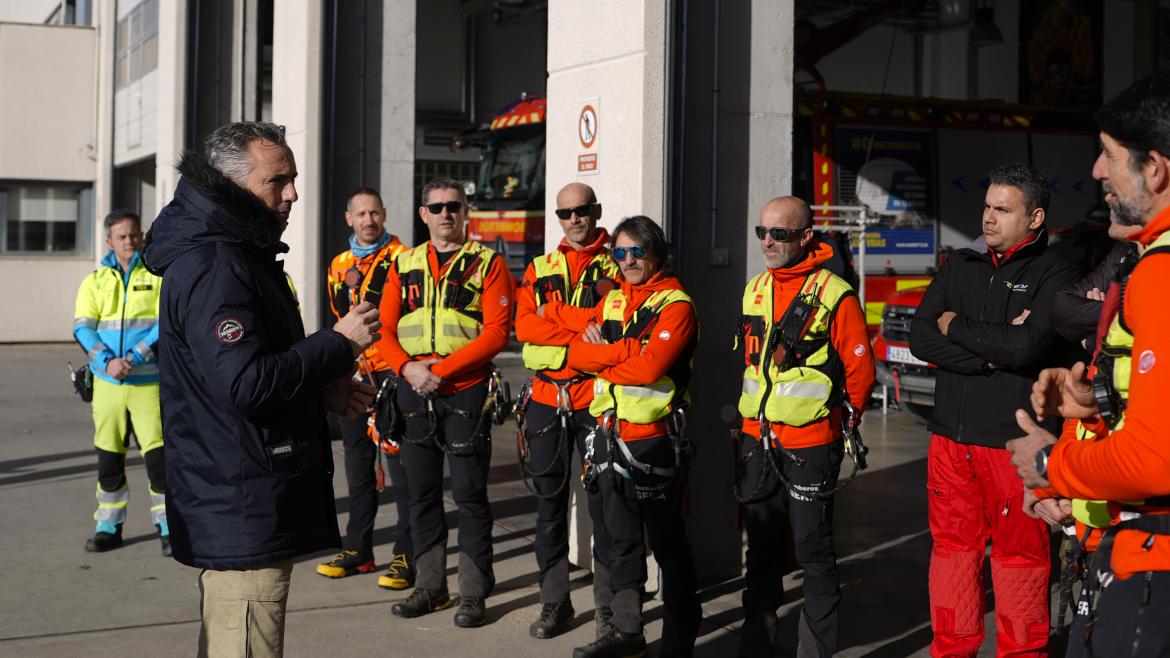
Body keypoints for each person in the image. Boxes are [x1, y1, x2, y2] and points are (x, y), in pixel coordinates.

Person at [143, 121, 380, 658]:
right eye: (277, 181)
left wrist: (319, 394)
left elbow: (234, 378)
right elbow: (245, 385)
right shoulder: (217, 263)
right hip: (241, 508)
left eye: (293, 179)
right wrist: (338, 343)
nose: (292, 193)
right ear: (232, 184)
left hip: (240, 499)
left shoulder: (233, 252)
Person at [1008, 71, 1170, 657]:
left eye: (1109, 155)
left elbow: (1155, 462)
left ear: (1156, 168)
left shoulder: (1161, 273)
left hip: (1153, 567)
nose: (1098, 171)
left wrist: (1048, 462)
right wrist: (1099, 400)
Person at [908, 163, 1080, 657]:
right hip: (949, 441)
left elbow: (1025, 349)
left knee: (1020, 560)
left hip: (1014, 447)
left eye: (1003, 210)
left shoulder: (1056, 274)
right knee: (952, 555)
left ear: (1034, 218)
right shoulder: (961, 263)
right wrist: (990, 354)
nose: (988, 217)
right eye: (987, 206)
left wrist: (954, 325)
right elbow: (921, 337)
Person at [538, 215, 702, 658]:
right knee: (619, 540)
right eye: (620, 252)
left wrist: (607, 355)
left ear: (657, 254)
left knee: (667, 544)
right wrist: (627, 350)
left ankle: (681, 640)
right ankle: (627, 636)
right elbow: (577, 355)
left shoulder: (676, 305)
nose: (628, 260)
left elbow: (650, 369)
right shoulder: (613, 301)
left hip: (655, 442)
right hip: (610, 437)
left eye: (637, 251)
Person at [733, 197, 875, 658]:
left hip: (811, 444)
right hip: (757, 440)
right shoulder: (754, 289)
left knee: (813, 552)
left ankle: (814, 652)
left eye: (780, 234)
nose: (768, 242)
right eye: (762, 232)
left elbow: (860, 371)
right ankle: (756, 646)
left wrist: (843, 422)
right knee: (760, 552)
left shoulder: (835, 294)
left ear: (806, 236)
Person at [379, 178, 514, 628]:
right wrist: (408, 369)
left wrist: (442, 369)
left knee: (469, 495)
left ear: (465, 210)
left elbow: (497, 332)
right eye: (435, 207)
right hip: (413, 389)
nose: (445, 214)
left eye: (453, 206)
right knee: (420, 493)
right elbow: (385, 330)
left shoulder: (488, 263)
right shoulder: (403, 263)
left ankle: (473, 592)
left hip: (465, 391)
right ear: (423, 214)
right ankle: (430, 586)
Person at [514, 182, 620, 639]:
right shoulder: (541, 267)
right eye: (565, 213)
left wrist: (552, 314)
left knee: (605, 506)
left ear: (596, 211)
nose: (575, 219)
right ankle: (554, 602)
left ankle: (609, 608)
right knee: (549, 507)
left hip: (594, 399)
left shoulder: (618, 263)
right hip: (545, 399)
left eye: (582, 210)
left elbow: (612, 323)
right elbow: (523, 326)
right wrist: (580, 326)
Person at [315, 187, 415, 591]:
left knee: (401, 468)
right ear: (349, 219)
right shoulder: (338, 265)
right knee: (357, 466)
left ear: (384, 214)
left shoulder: (404, 258)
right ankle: (358, 549)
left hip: (392, 372)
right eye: (361, 214)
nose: (368, 220)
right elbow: (338, 318)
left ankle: (406, 553)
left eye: (374, 213)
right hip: (354, 374)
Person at [73, 210, 169, 556]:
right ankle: (108, 528)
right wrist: (107, 362)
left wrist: (135, 356)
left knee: (159, 459)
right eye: (122, 236)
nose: (129, 241)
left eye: (134, 235)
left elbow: (166, 321)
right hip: (107, 384)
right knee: (109, 458)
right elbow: (83, 327)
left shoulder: (157, 276)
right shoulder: (94, 282)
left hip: (148, 383)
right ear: (109, 241)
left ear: (141, 236)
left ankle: (169, 527)